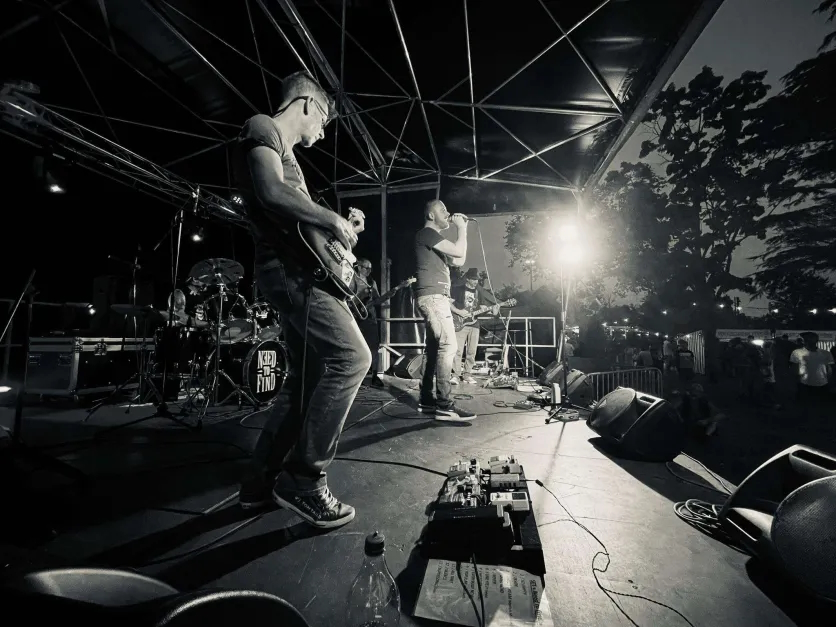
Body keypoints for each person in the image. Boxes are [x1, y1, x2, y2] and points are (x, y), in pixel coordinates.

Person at [232, 71, 371, 528]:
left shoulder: (290, 157)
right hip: (291, 275)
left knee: (304, 380)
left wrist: (342, 230)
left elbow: (302, 226)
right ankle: (305, 480)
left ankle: (259, 484)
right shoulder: (263, 127)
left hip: (297, 272)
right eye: (324, 120)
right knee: (353, 358)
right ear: (308, 104)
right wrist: (331, 219)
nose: (323, 132)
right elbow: (270, 193)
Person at [414, 200, 476, 421]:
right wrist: (462, 228)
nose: (448, 213)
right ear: (431, 215)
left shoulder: (435, 241)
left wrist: (462, 230)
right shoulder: (427, 233)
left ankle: (427, 399)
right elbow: (458, 251)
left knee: (434, 349)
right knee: (449, 345)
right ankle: (444, 405)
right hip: (433, 298)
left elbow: (459, 259)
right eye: (443, 210)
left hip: (433, 298)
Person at [450, 267, 498, 384]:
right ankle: (455, 375)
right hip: (459, 322)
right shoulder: (457, 289)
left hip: (474, 324)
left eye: (477, 279)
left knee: (472, 351)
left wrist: (493, 310)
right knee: (458, 350)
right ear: (467, 278)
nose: (476, 281)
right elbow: (448, 304)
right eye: (473, 279)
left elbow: (483, 308)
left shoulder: (479, 292)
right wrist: (459, 312)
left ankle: (467, 375)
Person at [350, 258, 384, 388]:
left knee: (374, 346)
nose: (369, 271)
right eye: (366, 268)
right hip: (355, 318)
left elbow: (377, 300)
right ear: (359, 267)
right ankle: (356, 376)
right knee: (355, 347)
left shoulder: (371, 282)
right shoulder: (352, 279)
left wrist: (388, 295)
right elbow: (348, 300)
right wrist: (362, 294)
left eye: (370, 268)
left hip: (370, 318)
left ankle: (375, 376)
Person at [790, 331, 833, 408]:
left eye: (810, 338)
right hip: (804, 385)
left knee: (821, 408)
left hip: (822, 385)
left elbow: (829, 369)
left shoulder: (826, 353)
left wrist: (827, 380)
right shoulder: (796, 352)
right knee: (806, 407)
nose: (807, 340)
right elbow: (794, 369)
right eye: (805, 338)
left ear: (816, 340)